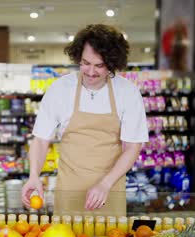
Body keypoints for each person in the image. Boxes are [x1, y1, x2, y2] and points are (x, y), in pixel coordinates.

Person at [21, 24, 148, 215]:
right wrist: (33, 176)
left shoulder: (127, 92)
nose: (90, 71)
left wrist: (105, 185)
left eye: (99, 65)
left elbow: (132, 148)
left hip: (110, 190)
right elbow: (40, 140)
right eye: (85, 63)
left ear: (112, 64)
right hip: (69, 191)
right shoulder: (60, 89)